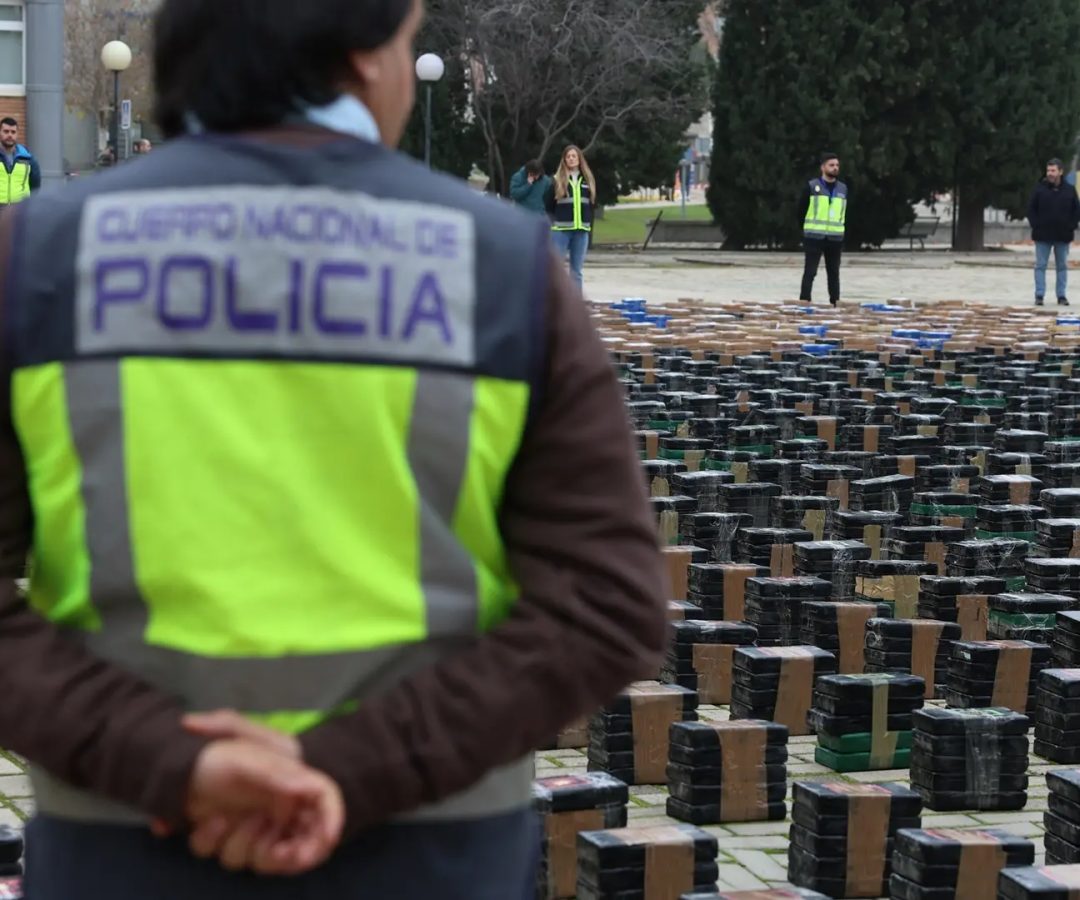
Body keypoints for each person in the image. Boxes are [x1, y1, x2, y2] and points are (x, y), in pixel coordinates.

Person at [0, 0, 667, 898]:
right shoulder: (501, 266)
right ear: (362, 58)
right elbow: (608, 602)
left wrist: (172, 764)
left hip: (125, 844)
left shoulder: (35, 257)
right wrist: (347, 771)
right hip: (431, 852)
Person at [1028, 157, 1080, 307]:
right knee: (1040, 265)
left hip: (1062, 236)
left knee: (1062, 266)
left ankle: (1061, 295)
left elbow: (1076, 211)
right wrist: (1036, 225)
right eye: (1048, 170)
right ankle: (1039, 295)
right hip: (1042, 236)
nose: (1050, 173)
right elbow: (1031, 209)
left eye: (1053, 170)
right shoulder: (1039, 189)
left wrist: (1070, 226)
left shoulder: (1069, 190)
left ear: (1060, 172)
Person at [799, 151, 847, 307]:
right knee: (810, 271)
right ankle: (805, 301)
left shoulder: (843, 189)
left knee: (834, 273)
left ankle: (835, 303)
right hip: (814, 236)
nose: (835, 168)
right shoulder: (812, 187)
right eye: (831, 165)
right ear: (823, 167)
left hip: (835, 238)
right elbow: (800, 210)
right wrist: (805, 229)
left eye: (837, 165)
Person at [545, 144, 596, 290]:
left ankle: (575, 306)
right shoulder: (556, 180)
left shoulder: (588, 180)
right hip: (561, 232)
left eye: (574, 156)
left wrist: (586, 225)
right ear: (564, 160)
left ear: (579, 159)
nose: (571, 159)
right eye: (568, 156)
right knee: (556, 271)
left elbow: (591, 205)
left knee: (576, 272)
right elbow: (549, 206)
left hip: (581, 232)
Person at [0, 117, 41, 207]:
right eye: (6, 131)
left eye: (13, 132)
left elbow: (35, 185)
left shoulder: (28, 158)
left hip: (19, 210)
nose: (10, 135)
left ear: (17, 134)